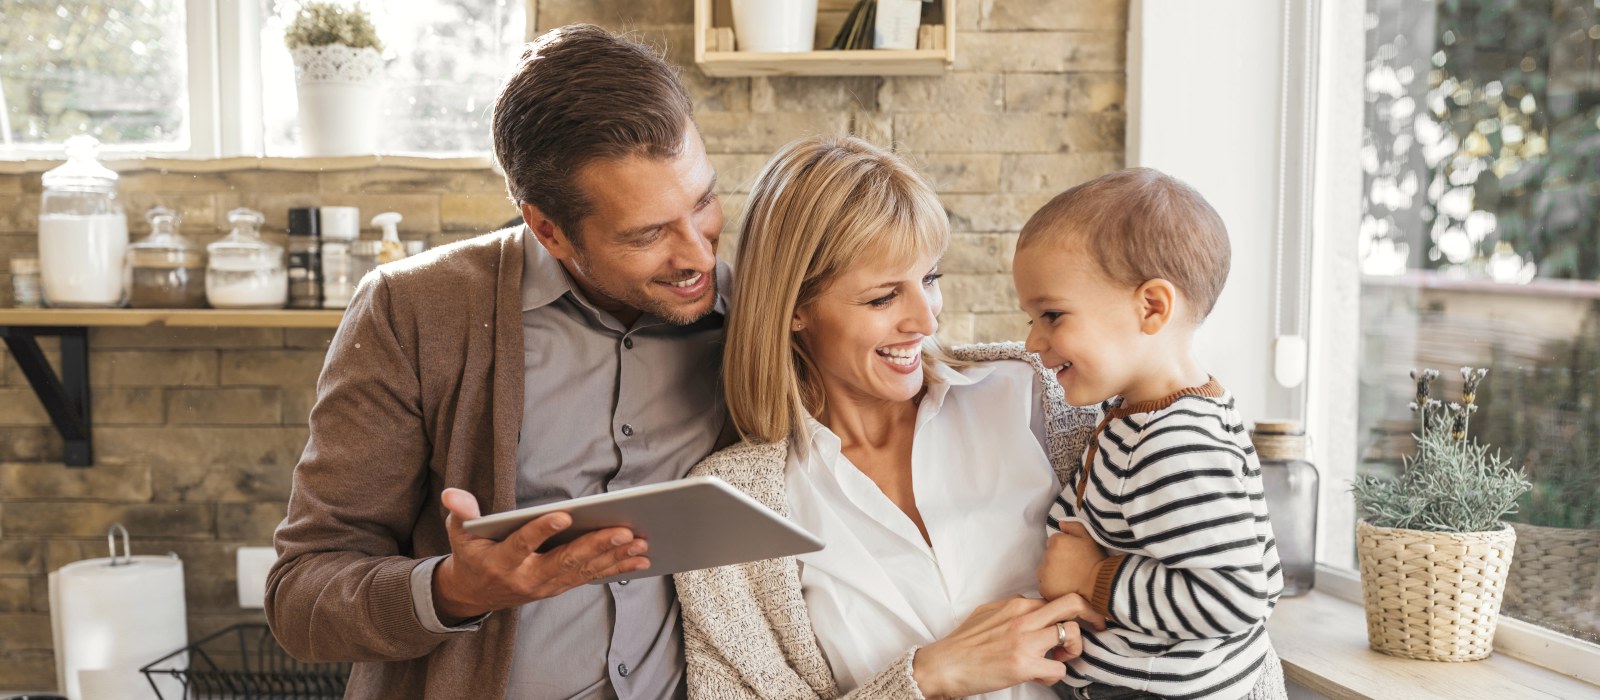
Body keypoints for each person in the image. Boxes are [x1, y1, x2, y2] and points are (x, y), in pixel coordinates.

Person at [265, 25, 731, 698]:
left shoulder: (749, 313)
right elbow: (301, 595)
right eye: (648, 234)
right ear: (547, 228)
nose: (697, 255)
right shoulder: (413, 311)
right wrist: (453, 590)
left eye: (703, 201)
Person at [673, 134, 1106, 700]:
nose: (924, 321)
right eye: (883, 298)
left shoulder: (1036, 396)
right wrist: (929, 676)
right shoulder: (726, 508)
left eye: (929, 279)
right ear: (796, 309)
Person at [1015, 168, 1287, 700]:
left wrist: (1097, 577)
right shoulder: (1142, 417)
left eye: (1051, 315)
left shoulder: (1175, 442)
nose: (1031, 342)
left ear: (1152, 308)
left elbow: (1236, 597)